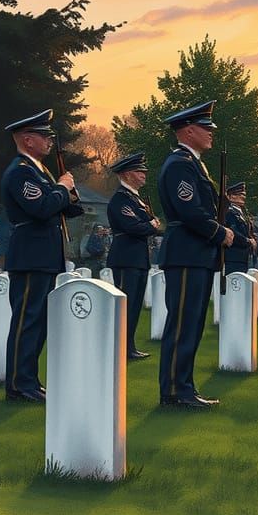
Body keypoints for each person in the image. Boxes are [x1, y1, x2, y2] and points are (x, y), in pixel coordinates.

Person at [0, 109, 83, 402]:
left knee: (39, 320)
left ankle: (30, 381)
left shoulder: (39, 170)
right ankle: (19, 385)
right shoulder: (21, 171)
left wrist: (68, 191)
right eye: (44, 135)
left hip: (44, 254)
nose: (49, 141)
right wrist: (62, 188)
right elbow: (41, 208)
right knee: (27, 320)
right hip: (31, 254)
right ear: (27, 139)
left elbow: (71, 209)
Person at [156, 100, 233, 409]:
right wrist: (219, 232)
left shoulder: (192, 163)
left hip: (195, 254)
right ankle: (175, 390)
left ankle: (183, 387)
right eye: (206, 128)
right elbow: (190, 211)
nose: (211, 134)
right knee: (183, 324)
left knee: (192, 324)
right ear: (189, 131)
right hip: (187, 253)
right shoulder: (180, 165)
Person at [106, 151, 164, 360]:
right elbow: (134, 227)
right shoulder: (120, 199)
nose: (144, 175)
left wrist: (150, 225)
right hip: (125, 258)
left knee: (135, 305)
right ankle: (121, 346)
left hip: (137, 258)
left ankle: (128, 347)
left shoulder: (135, 199)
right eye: (140, 172)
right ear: (128, 174)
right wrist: (151, 225)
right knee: (126, 305)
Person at [222, 181, 257, 284]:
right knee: (234, 284)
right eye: (240, 195)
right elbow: (233, 232)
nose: (243, 197)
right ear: (231, 197)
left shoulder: (242, 213)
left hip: (243, 255)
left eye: (244, 195)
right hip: (234, 255)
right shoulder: (229, 212)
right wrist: (248, 241)